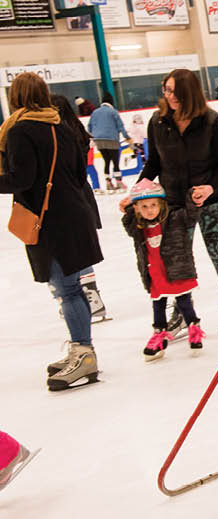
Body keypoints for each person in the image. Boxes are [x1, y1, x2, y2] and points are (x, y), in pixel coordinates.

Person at [2, 73, 103, 391]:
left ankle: (84, 355)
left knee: (68, 290)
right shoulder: (60, 125)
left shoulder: (20, 131)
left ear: (15, 97)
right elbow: (77, 171)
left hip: (51, 221)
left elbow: (22, 180)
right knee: (72, 287)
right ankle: (81, 348)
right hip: (74, 213)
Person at [130, 68, 218, 342]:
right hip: (173, 204)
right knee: (175, 257)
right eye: (166, 90)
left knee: (217, 251)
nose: (169, 96)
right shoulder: (158, 122)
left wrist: (209, 187)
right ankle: (182, 311)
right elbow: (154, 163)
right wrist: (137, 191)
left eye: (174, 91)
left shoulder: (211, 121)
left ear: (187, 92)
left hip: (212, 200)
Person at [121, 179, 205, 360]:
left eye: (153, 205)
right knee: (158, 305)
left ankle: (194, 329)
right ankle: (159, 336)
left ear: (161, 205)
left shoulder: (174, 219)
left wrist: (192, 197)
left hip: (176, 271)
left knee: (184, 302)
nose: (149, 210)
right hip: (155, 274)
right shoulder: (138, 228)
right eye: (144, 207)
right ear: (136, 209)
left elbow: (191, 216)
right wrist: (127, 208)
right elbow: (127, 224)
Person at [48, 94, 111, 325]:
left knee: (72, 249)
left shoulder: (61, 136)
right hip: (81, 195)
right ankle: (89, 297)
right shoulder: (76, 131)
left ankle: (86, 298)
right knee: (80, 248)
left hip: (70, 197)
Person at [87, 93, 130, 195]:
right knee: (115, 162)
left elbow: (89, 127)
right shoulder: (113, 111)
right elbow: (120, 126)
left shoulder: (95, 112)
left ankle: (108, 182)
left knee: (106, 161)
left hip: (99, 140)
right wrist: (127, 137)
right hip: (111, 139)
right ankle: (119, 182)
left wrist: (95, 136)